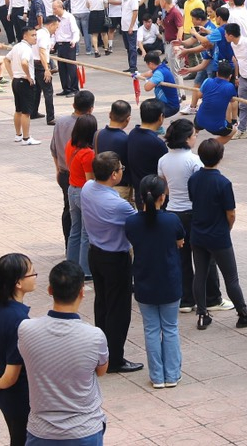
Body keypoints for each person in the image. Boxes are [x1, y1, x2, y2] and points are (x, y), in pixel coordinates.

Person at [18, 261, 109, 445]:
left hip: (41, 431)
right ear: (82, 292)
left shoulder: (26, 329)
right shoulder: (94, 336)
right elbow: (101, 370)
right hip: (84, 430)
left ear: (50, 290)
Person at [186, 140, 247, 331]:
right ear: (220, 157)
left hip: (197, 233)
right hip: (218, 235)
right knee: (231, 277)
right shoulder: (223, 182)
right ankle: (243, 313)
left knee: (200, 274)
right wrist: (227, 228)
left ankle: (202, 314)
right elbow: (231, 213)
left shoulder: (193, 179)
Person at [80, 151, 144, 373]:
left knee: (103, 304)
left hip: (95, 254)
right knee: (118, 310)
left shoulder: (89, 188)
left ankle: (103, 353)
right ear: (114, 175)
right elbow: (138, 225)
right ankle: (115, 358)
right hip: (115, 258)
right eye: (120, 169)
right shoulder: (119, 205)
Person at [155, 120, 228, 314]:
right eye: (194, 135)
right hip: (193, 212)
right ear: (187, 139)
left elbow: (165, 188)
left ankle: (186, 299)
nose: (196, 137)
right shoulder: (194, 161)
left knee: (181, 258)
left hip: (173, 212)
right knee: (206, 256)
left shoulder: (163, 160)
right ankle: (212, 298)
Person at [127, 175, 186, 388]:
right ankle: (172, 375)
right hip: (169, 280)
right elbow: (180, 241)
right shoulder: (171, 220)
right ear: (163, 196)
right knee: (170, 327)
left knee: (151, 329)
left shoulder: (132, 222)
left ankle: (157, 376)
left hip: (144, 280)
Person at [0, 253, 36, 445]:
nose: (35, 276)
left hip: (6, 399)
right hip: (21, 397)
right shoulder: (20, 321)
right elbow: (10, 376)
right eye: (32, 273)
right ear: (18, 283)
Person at [52, 91, 94, 248]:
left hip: (65, 173)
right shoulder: (88, 127)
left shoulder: (61, 122)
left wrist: (58, 169)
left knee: (69, 210)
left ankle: (69, 247)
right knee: (82, 220)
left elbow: (54, 149)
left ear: (73, 105)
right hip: (82, 177)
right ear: (91, 109)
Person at [65, 115, 98, 279]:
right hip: (83, 193)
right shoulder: (88, 153)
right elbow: (89, 180)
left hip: (71, 189)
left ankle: (70, 264)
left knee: (75, 230)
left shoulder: (70, 145)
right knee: (86, 233)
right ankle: (85, 270)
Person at [5, 27, 40, 146]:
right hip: (24, 82)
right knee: (26, 112)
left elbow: (6, 59)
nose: (35, 37)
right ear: (25, 36)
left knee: (18, 109)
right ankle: (26, 138)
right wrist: (28, 76)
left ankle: (18, 134)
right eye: (32, 35)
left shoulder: (16, 47)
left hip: (16, 81)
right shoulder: (26, 49)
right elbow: (24, 62)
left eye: (35, 35)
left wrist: (12, 75)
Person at [194, 61, 240, 145]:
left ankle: (194, 134)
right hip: (216, 127)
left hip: (199, 119)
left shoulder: (207, 81)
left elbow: (199, 95)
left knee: (197, 122)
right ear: (230, 76)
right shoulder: (230, 86)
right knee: (233, 130)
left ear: (217, 73)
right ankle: (210, 146)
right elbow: (233, 102)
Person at [127, 99, 169, 185]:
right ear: (161, 117)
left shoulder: (132, 133)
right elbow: (165, 171)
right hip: (154, 190)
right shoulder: (157, 143)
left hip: (138, 187)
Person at [141, 51, 181, 119]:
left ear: (150, 64)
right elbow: (150, 73)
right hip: (162, 101)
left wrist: (147, 80)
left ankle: (158, 129)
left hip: (169, 105)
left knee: (150, 115)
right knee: (145, 106)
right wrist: (139, 75)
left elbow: (147, 88)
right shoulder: (162, 67)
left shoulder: (159, 73)